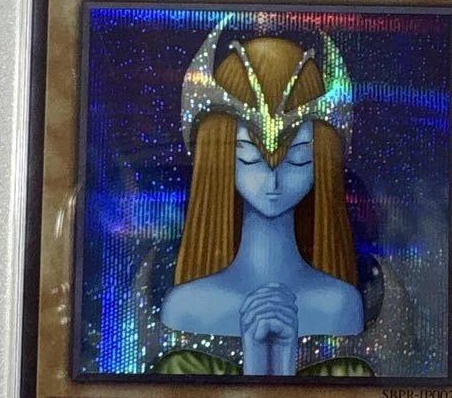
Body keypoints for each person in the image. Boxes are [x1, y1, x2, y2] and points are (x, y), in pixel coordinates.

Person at [157, 27, 368, 376]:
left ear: (321, 161)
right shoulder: (186, 307)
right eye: (249, 158)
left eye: (298, 159)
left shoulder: (340, 304)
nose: (273, 181)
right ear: (221, 158)